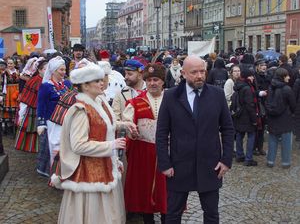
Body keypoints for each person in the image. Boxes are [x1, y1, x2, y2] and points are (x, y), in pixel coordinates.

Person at [156, 56, 234, 224]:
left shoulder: (217, 95)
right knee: (173, 213)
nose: (199, 76)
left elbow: (228, 129)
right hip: (179, 165)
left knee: (212, 213)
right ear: (183, 73)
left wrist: (226, 160)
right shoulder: (170, 96)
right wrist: (165, 163)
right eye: (194, 72)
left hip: (210, 165)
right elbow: (162, 133)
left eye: (202, 71)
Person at [51, 63, 127, 224]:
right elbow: (78, 145)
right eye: (97, 81)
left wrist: (125, 125)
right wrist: (111, 145)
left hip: (105, 165)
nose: (102, 83)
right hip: (88, 172)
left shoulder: (99, 102)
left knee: (106, 213)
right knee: (92, 214)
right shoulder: (81, 109)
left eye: (101, 80)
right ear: (85, 85)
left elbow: (103, 126)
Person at [123, 63, 167, 224]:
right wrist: (131, 131)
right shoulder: (135, 102)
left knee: (167, 193)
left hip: (167, 154)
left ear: (162, 81)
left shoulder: (172, 100)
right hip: (143, 154)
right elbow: (127, 123)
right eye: (149, 80)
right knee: (144, 191)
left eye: (156, 79)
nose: (152, 83)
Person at [36, 56, 72, 177]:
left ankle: (64, 172)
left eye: (64, 69)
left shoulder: (66, 84)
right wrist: (41, 123)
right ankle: (55, 174)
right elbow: (40, 104)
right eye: (61, 70)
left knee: (66, 147)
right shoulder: (46, 86)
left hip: (65, 121)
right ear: (54, 71)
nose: (64, 72)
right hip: (52, 121)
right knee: (54, 147)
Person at [15, 58, 48, 152]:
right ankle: (31, 147)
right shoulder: (34, 80)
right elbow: (26, 97)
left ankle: (41, 147)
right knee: (32, 128)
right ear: (39, 70)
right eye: (45, 69)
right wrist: (21, 114)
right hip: (33, 108)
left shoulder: (48, 80)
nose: (47, 71)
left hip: (43, 109)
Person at [266, 68, 296, 168]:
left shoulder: (270, 87)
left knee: (272, 140)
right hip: (285, 119)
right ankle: (285, 162)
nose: (289, 77)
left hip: (272, 119)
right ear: (283, 77)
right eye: (287, 75)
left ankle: (270, 161)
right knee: (286, 142)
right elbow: (293, 105)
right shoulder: (287, 89)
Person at [233, 69, 259, 166]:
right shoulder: (247, 88)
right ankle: (249, 158)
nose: (253, 78)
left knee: (239, 135)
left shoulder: (239, 85)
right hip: (247, 116)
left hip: (239, 115)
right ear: (248, 77)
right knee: (251, 136)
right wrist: (254, 120)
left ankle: (239, 155)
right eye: (251, 76)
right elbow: (250, 105)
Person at [3, 57, 20, 135]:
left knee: (17, 110)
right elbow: (4, 83)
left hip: (16, 90)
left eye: (11, 63)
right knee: (9, 110)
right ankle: (8, 128)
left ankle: (15, 127)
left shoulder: (18, 72)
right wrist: (4, 93)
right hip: (9, 91)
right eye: (8, 63)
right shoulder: (5, 72)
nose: (9, 65)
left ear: (14, 64)